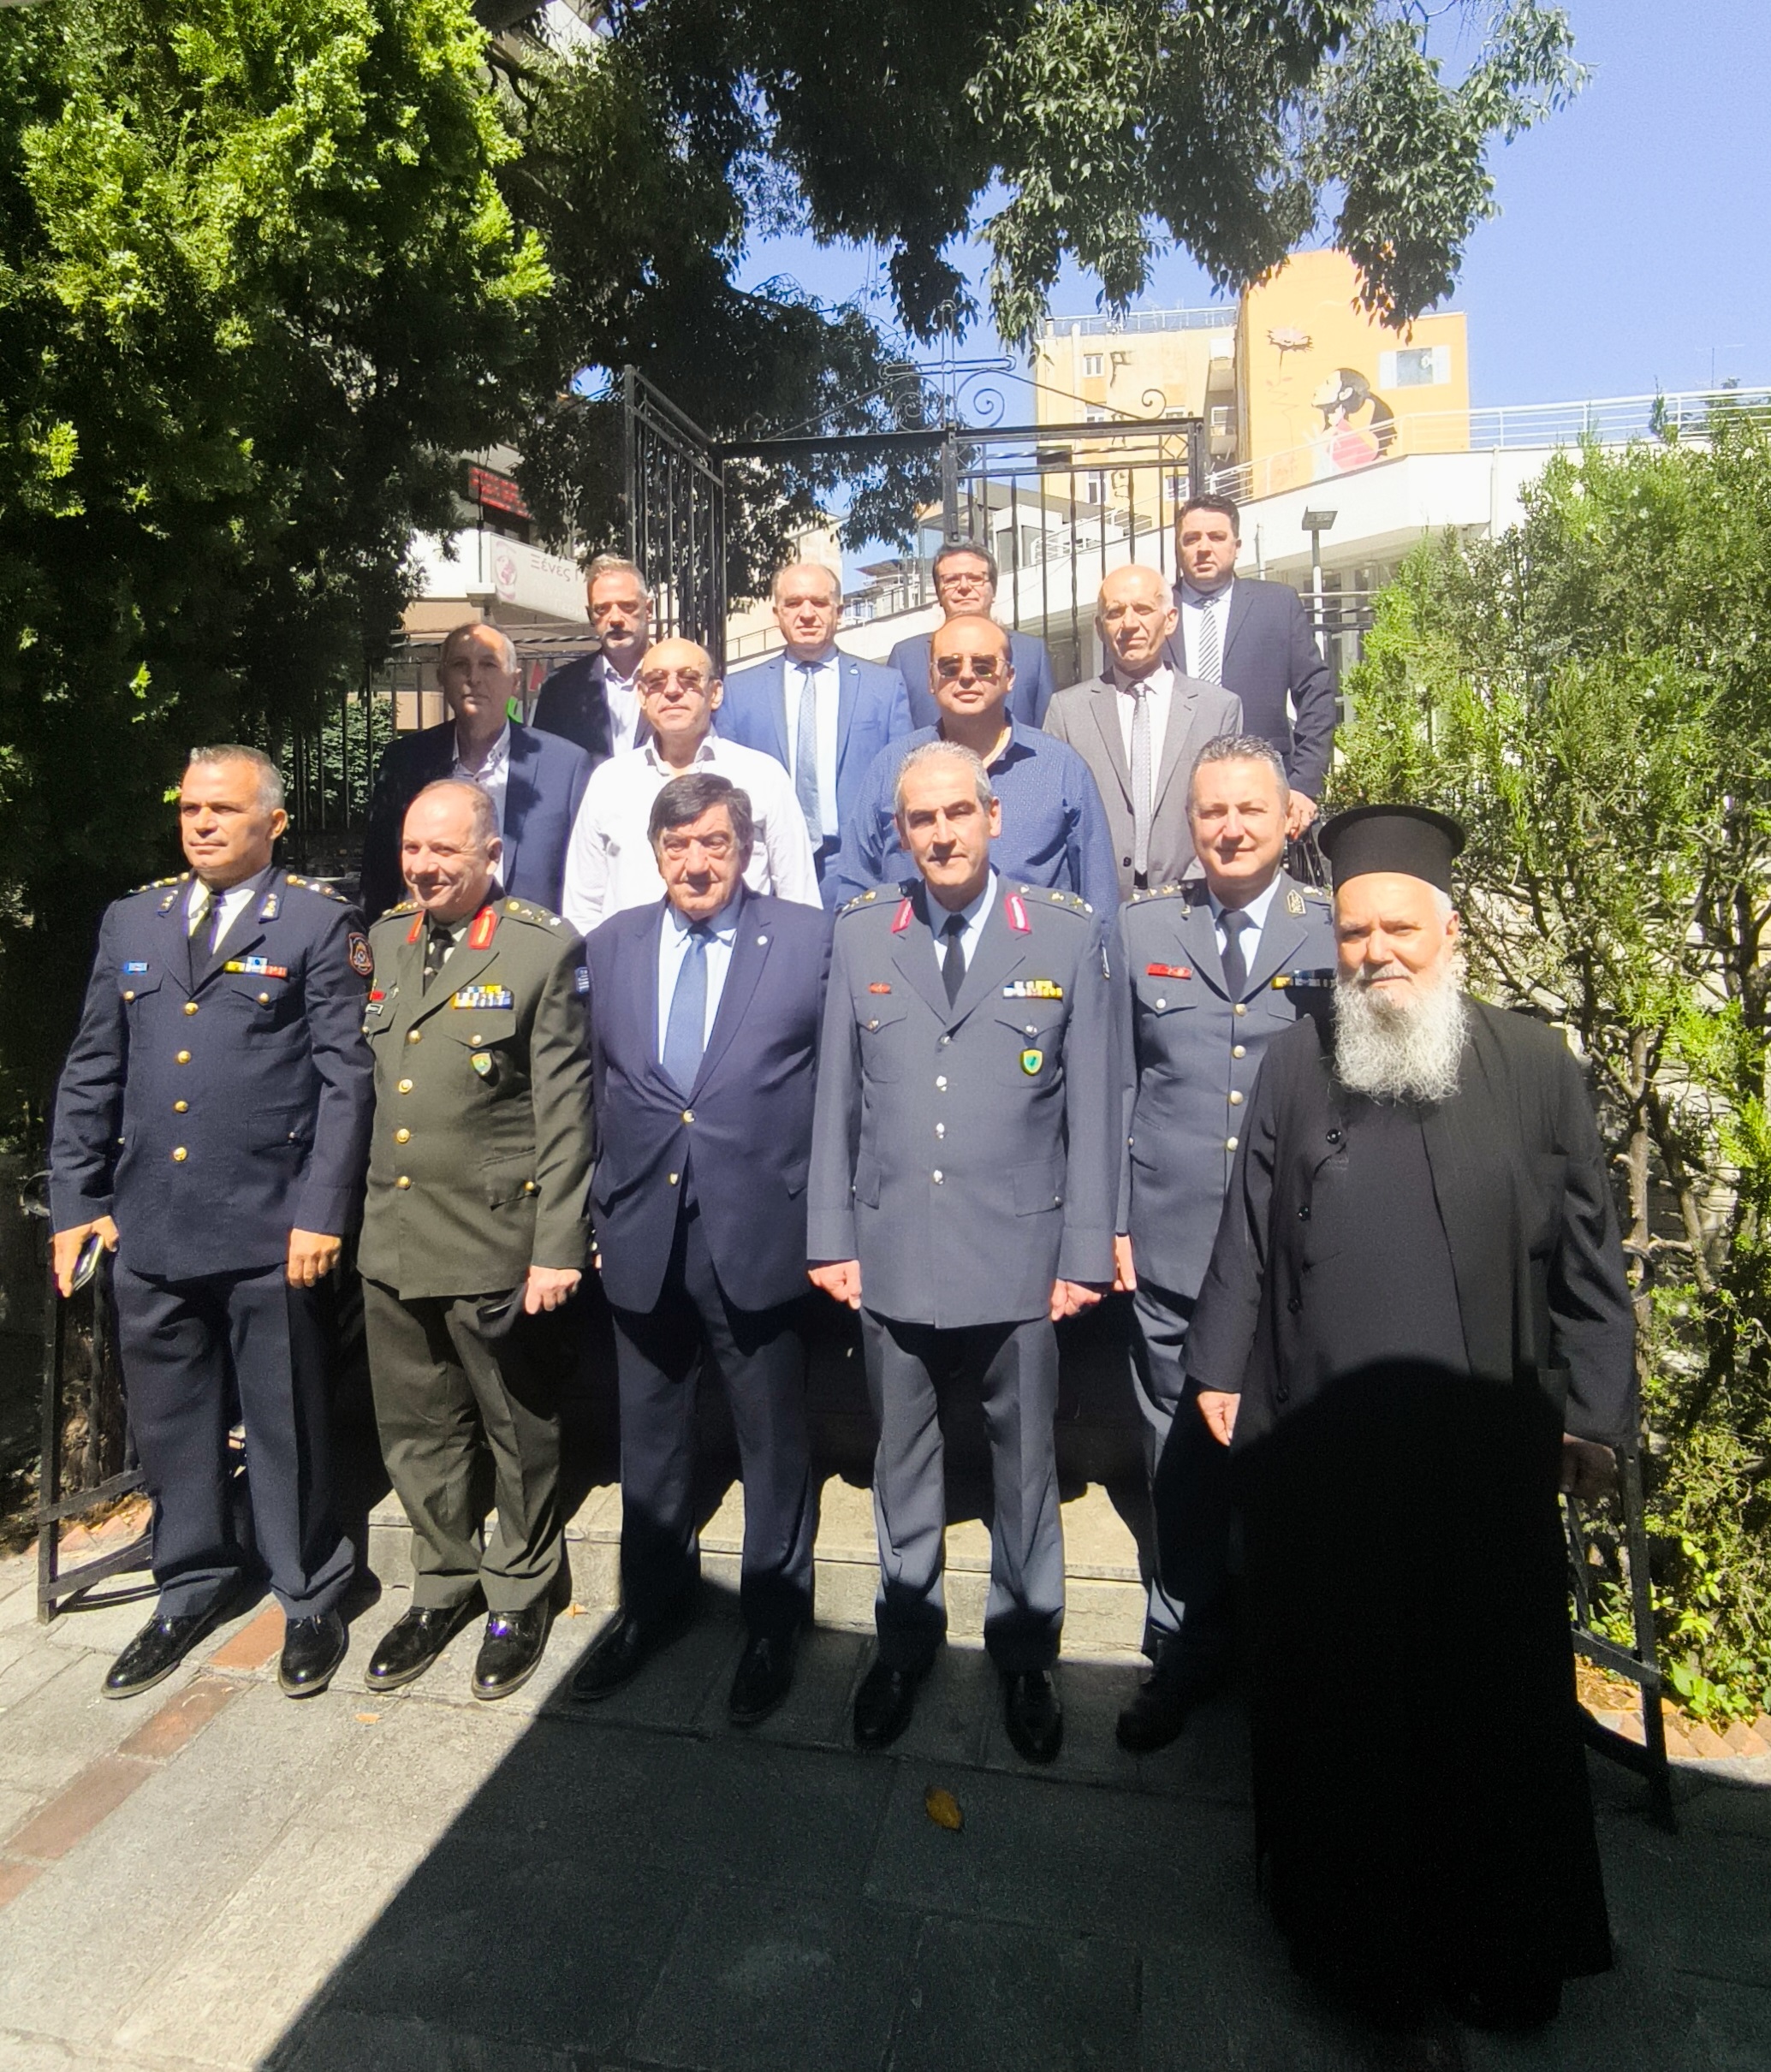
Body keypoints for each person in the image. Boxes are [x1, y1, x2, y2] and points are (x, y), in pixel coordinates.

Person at [1186, 804, 1636, 2031]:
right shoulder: (1297, 1060)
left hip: (1481, 1459)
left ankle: (1507, 1943)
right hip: (1326, 1460)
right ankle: (1365, 1961)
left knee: (1490, 1705)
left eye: (1398, 929)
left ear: (1450, 932)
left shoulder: (1532, 1065)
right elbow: (1247, 1227)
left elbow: (1589, 1263)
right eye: (1353, 934)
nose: (1375, 952)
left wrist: (1597, 1417)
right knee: (1346, 1709)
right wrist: (1218, 1369)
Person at [808, 742, 1118, 1762]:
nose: (939, 835)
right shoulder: (864, 932)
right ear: (899, 834)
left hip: (1021, 1253)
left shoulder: (1062, 932)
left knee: (1024, 1469)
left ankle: (1026, 1653)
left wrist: (1082, 1253)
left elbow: (1092, 1101)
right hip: (892, 1244)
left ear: (991, 816)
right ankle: (904, 1641)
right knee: (899, 1461)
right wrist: (830, 1236)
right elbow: (836, 1099)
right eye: (919, 820)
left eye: (955, 813)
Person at [49, 745, 372, 1701]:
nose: (201, 824)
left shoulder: (315, 921)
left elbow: (346, 1082)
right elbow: (93, 1068)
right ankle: (188, 1583)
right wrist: (78, 1202)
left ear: (273, 823)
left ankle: (309, 1591)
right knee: (173, 1423)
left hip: (270, 1227)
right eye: (191, 808)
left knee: (285, 1424)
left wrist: (322, 1212)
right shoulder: (133, 920)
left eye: (223, 810)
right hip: (152, 1222)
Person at [571, 774, 831, 1724]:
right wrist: (592, 1213)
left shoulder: (807, 941)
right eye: (677, 846)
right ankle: (652, 1605)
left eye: (714, 843)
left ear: (744, 849)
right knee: (649, 1436)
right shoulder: (611, 944)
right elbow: (592, 1088)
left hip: (760, 1227)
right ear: (654, 853)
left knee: (771, 1437)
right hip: (640, 1227)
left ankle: (773, 1621)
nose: (695, 863)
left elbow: (838, 1089)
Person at [1108, 736, 1334, 1754]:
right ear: (1188, 823)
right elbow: (1115, 1084)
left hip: (1295, 1255)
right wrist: (1113, 1220)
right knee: (1178, 1455)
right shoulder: (1142, 928)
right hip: (1173, 1241)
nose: (1230, 829)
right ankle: (1182, 1637)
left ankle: (1289, 1641)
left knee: (1292, 1455)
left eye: (1249, 810)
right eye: (1210, 813)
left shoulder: (1331, 930)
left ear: (1287, 818)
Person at [356, 781, 592, 1701]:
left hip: (495, 1232)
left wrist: (558, 1244)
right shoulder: (386, 939)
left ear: (491, 855)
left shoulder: (539, 948)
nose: (422, 867)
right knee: (416, 1427)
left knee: (514, 1425)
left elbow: (566, 1112)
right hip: (395, 1231)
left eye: (443, 851)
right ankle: (442, 1582)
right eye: (412, 849)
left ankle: (521, 1590)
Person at [825, 617, 1117, 917]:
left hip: (1033, 945)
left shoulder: (1061, 768)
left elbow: (1099, 898)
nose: (966, 676)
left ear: (1009, 677)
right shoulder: (892, 766)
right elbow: (855, 886)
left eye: (983, 665)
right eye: (950, 667)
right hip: (914, 944)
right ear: (931, 680)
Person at [560, 638, 820, 935]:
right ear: (642, 696)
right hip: (633, 960)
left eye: (689, 679)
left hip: (743, 958)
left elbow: (799, 897)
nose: (672, 691)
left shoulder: (762, 776)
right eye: (656, 681)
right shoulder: (609, 782)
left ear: (715, 693)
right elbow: (583, 905)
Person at [360, 621, 593, 919]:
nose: (474, 678)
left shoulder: (565, 766)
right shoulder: (405, 761)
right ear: (442, 677)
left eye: (488, 665)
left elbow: (586, 879)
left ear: (515, 681)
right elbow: (378, 878)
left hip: (530, 940)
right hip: (427, 936)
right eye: (461, 665)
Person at [1043, 563, 1243, 901]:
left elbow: (1226, 811)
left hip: (1191, 901)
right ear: (1099, 628)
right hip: (1096, 903)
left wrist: (1186, 894)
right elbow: (1052, 818)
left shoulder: (1218, 709)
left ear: (1170, 620)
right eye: (1115, 612)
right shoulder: (1067, 711)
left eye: (1143, 609)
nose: (1129, 624)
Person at [716, 562, 912, 891]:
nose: (806, 614)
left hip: (858, 866)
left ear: (839, 611)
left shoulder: (884, 687)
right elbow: (725, 788)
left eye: (819, 603)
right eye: (793, 603)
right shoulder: (739, 692)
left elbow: (904, 783)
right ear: (777, 613)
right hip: (767, 869)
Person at [1169, 495, 1336, 837]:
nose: (1204, 548)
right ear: (1178, 547)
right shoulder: (1154, 611)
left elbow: (1316, 693)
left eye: (1216, 537)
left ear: (1237, 546)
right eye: (1192, 538)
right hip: (1174, 802)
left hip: (1260, 796)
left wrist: (1303, 784)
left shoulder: (1276, 605)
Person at [888, 541, 1057, 730]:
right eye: (951, 580)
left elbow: (1047, 729)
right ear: (938, 592)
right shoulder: (906, 658)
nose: (964, 587)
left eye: (975, 578)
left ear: (993, 590)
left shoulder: (1032, 653)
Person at [530, 553, 654, 764]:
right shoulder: (561, 689)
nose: (615, 619)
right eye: (602, 609)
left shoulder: (679, 679)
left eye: (627, 606)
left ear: (648, 609)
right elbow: (547, 764)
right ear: (590, 616)